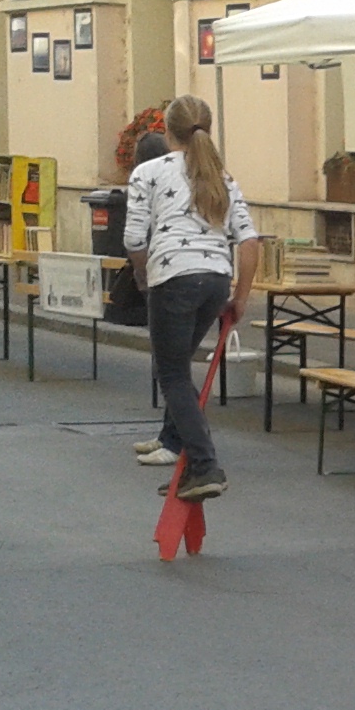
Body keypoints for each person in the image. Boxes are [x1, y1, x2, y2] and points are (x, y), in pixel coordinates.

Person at [124, 94, 260, 502]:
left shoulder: (148, 172)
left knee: (171, 374)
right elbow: (249, 241)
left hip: (173, 277)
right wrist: (240, 296)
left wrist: (143, 276)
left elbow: (134, 239)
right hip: (215, 279)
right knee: (179, 366)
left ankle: (204, 465)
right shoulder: (223, 178)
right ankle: (179, 449)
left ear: (167, 132)